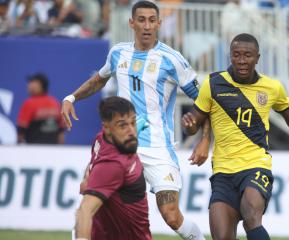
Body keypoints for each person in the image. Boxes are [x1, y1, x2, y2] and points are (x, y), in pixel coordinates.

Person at [62, 1, 209, 239]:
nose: (147, 25)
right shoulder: (118, 52)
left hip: (159, 147)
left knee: (171, 216)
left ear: (159, 23)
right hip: (120, 146)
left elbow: (205, 102)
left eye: (152, 20)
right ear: (132, 23)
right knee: (92, 202)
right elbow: (99, 79)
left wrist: (205, 140)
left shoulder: (172, 60)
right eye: (141, 20)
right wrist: (71, 97)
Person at [182, 33, 289, 240]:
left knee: (251, 215)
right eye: (236, 55)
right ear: (229, 56)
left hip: (255, 166)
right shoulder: (213, 83)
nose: (241, 61)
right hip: (222, 172)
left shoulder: (272, 87)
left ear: (258, 58)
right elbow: (195, 120)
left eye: (247, 55)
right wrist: (191, 126)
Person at [75, 96, 152, 240]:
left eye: (133, 123)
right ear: (107, 128)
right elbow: (85, 210)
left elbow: (93, 162)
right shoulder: (114, 165)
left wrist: (89, 177)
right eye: (122, 125)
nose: (131, 131)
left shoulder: (102, 139)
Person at [17, 73, 65, 144]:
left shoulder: (29, 103)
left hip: (33, 150)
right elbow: (61, 132)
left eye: (32, 83)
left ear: (40, 85)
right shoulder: (55, 102)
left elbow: (21, 130)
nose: (29, 86)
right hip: (53, 150)